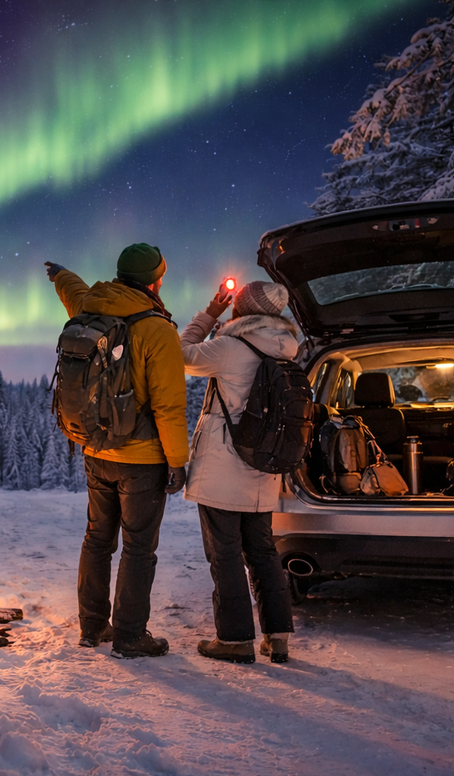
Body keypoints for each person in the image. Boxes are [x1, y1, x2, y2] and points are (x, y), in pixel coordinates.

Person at [46, 244, 190, 658]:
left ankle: (92, 628)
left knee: (96, 539)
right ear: (155, 280)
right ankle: (129, 635)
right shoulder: (156, 328)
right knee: (139, 547)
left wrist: (59, 272)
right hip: (142, 459)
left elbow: (71, 290)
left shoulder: (93, 305)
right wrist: (177, 461)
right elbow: (168, 404)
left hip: (96, 450)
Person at [180, 280, 298, 664]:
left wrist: (210, 313)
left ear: (242, 310)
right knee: (263, 552)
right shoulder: (288, 349)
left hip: (223, 469)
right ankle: (277, 637)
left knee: (225, 554)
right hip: (264, 470)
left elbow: (179, 354)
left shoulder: (231, 347)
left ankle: (234, 640)